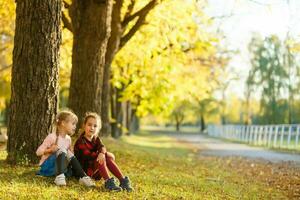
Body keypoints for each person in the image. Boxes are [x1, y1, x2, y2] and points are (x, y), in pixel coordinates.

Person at [74, 112, 133, 192]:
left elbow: (102, 147)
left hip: (94, 169)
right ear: (84, 125)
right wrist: (101, 155)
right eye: (89, 125)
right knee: (103, 157)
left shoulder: (96, 139)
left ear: (98, 128)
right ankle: (109, 183)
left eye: (95, 126)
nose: (92, 128)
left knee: (106, 156)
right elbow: (88, 156)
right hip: (84, 172)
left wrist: (101, 153)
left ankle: (123, 181)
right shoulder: (80, 142)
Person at [36, 110, 95, 187]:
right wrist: (50, 150)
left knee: (68, 152)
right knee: (63, 149)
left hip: (62, 168)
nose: (75, 126)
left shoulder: (68, 139)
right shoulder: (52, 137)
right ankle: (59, 176)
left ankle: (83, 177)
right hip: (48, 168)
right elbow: (38, 152)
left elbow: (70, 156)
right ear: (63, 123)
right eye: (73, 124)